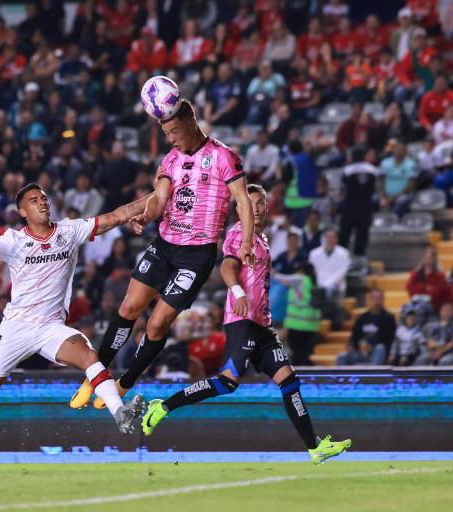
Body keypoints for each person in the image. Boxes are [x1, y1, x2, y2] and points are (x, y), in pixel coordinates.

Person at [0, 184, 149, 471]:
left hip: (50, 327)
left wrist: (158, 195)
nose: (42, 202)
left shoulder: (70, 231)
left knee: (88, 355)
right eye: (33, 201)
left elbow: (116, 216)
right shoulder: (13, 241)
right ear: (22, 212)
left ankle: (120, 413)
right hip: (16, 328)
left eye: (44, 198)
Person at [140, 185, 351, 465]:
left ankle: (315, 447)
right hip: (242, 321)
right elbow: (227, 266)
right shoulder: (239, 233)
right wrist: (238, 292)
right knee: (227, 383)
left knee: (289, 381)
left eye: (261, 203)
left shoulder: (261, 239)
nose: (257, 209)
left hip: (262, 325)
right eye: (250, 204)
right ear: (240, 209)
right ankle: (163, 406)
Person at [70, 100, 255, 411]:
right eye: (167, 133)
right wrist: (146, 215)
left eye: (174, 132)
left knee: (156, 325)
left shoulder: (224, 156)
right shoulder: (171, 159)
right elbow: (159, 198)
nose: (171, 139)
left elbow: (243, 201)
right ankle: (95, 377)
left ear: (190, 124)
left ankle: (125, 382)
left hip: (196, 254)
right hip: (165, 244)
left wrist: (246, 241)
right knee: (129, 307)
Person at [277, 262, 322, 366]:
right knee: (304, 354)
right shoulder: (313, 282)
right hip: (311, 326)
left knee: (298, 356)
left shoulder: (301, 279)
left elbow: (281, 279)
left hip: (297, 325)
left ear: (301, 271)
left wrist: (271, 272)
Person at [336, 289, 396, 366]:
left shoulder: (389, 318)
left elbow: (390, 340)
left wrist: (371, 346)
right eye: (374, 298)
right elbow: (354, 337)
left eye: (379, 298)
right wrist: (355, 345)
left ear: (383, 300)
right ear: (369, 300)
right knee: (341, 357)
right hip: (361, 352)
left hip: (377, 352)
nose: (376, 301)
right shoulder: (362, 318)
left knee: (380, 348)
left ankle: (373, 372)